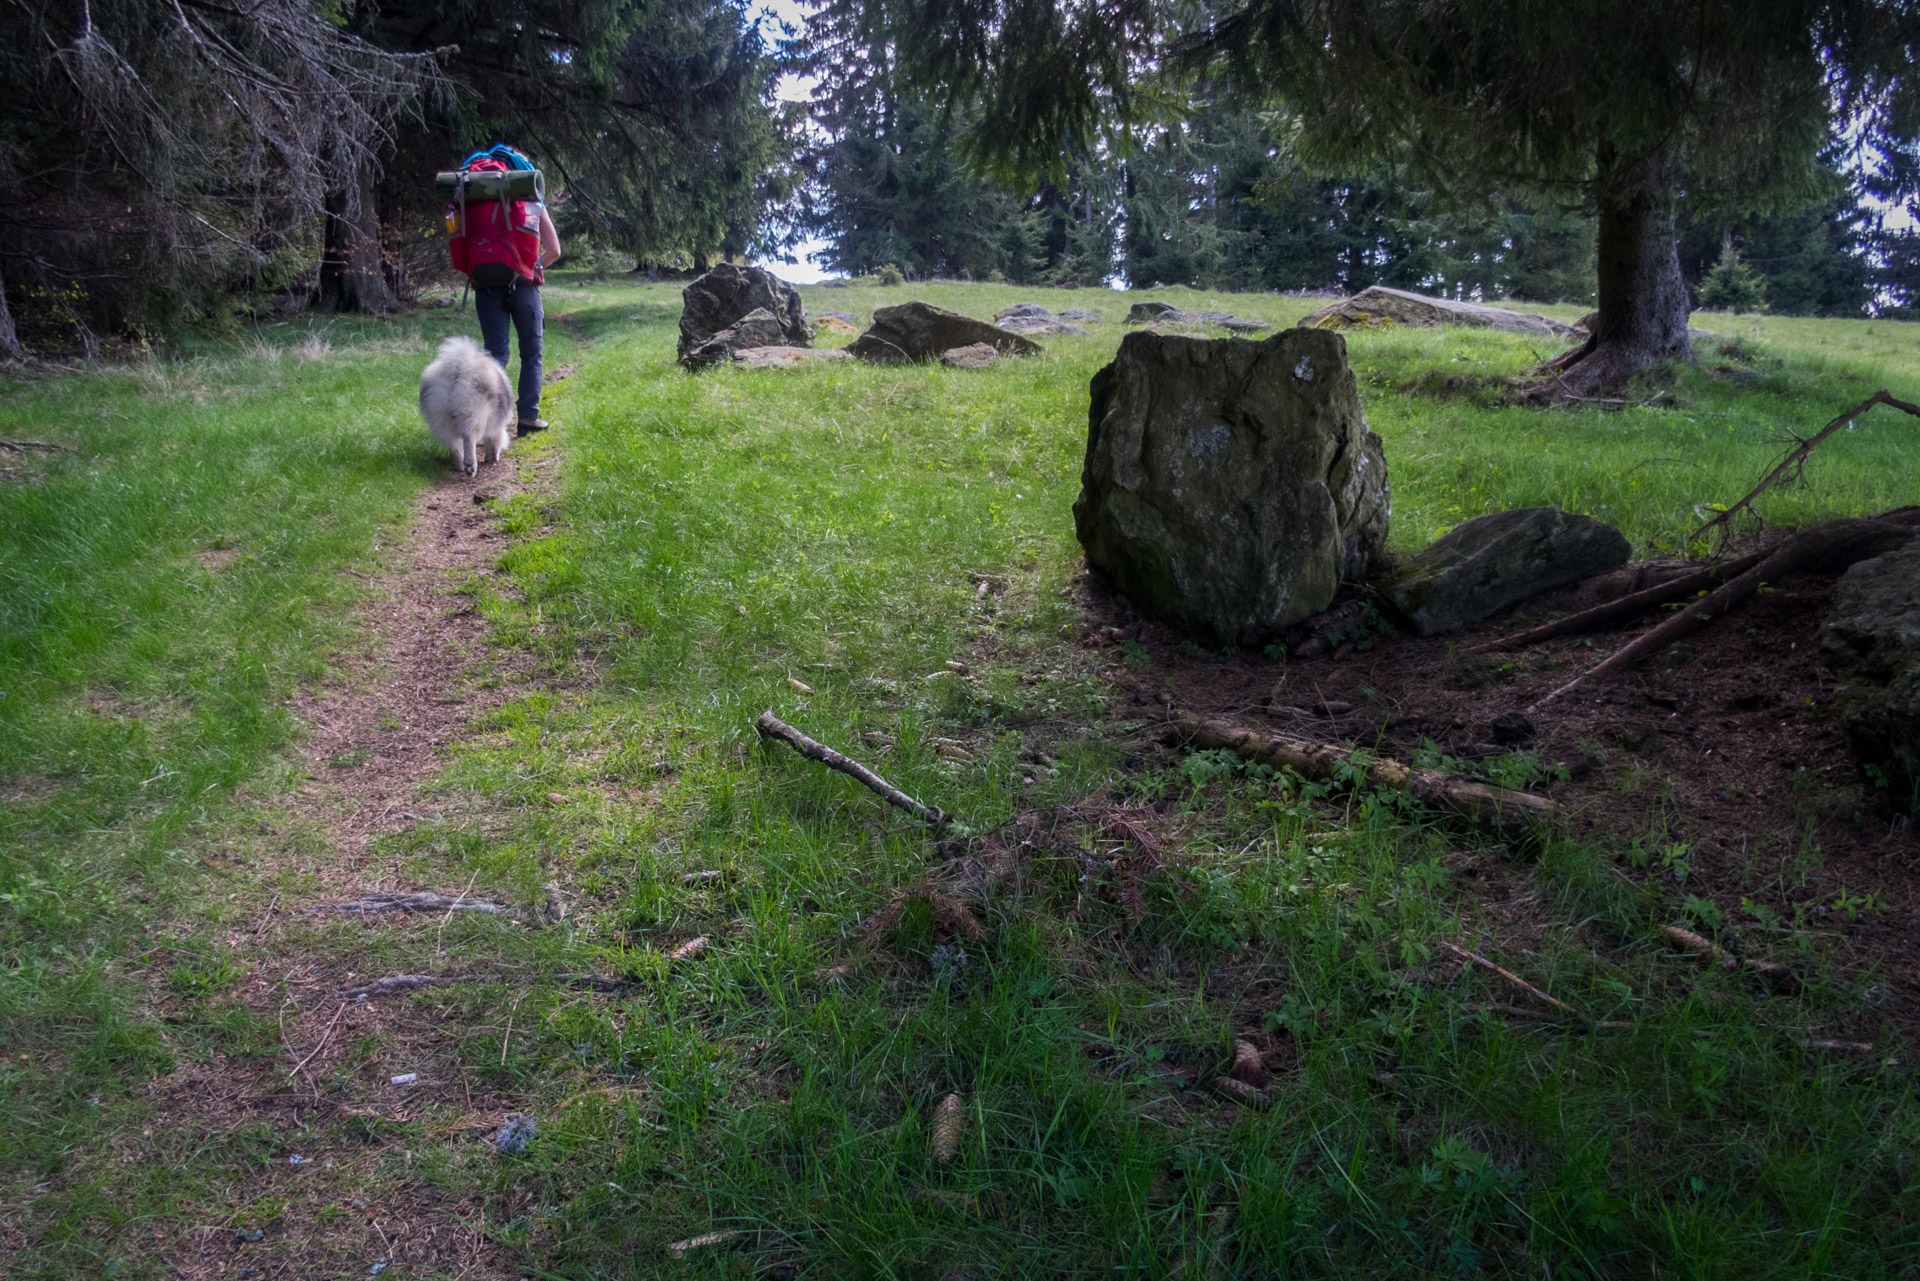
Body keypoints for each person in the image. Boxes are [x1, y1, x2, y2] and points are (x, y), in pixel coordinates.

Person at [456, 145, 562, 433]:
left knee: (495, 356)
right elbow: (554, 250)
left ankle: (488, 425)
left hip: (486, 286)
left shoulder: (475, 199)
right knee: (531, 352)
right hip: (525, 285)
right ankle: (528, 418)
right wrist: (535, 265)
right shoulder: (530, 199)